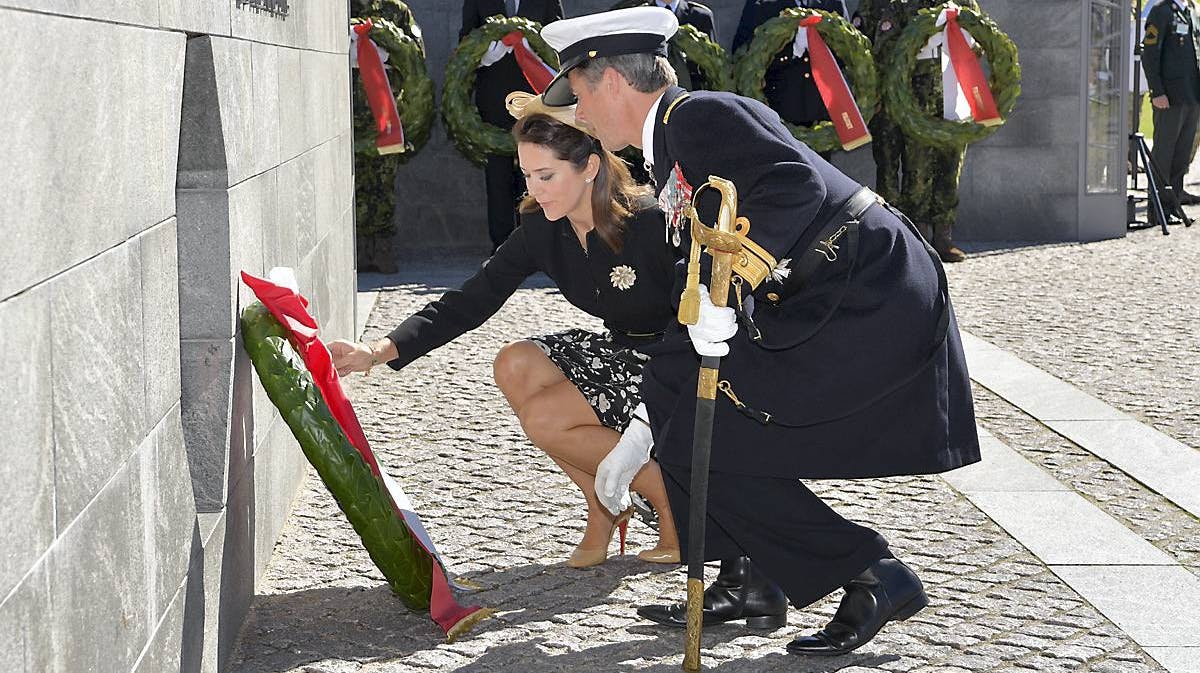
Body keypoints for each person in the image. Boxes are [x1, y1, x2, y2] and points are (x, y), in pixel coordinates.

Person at [539, 6, 980, 656]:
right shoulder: (675, 141)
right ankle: (753, 577)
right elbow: (693, 303)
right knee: (683, 417)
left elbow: (790, 189)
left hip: (867, 292)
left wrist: (733, 281)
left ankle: (870, 572)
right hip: (832, 286)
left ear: (607, 79)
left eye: (577, 96)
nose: (580, 116)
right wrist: (641, 425)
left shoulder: (699, 116)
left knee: (695, 430)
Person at [330, 94, 682, 568]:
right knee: (513, 362)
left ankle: (670, 507)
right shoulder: (542, 227)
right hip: (619, 352)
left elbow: (704, 310)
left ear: (590, 168)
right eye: (528, 176)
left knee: (544, 420)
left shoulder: (651, 222)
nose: (536, 190)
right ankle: (603, 507)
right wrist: (376, 350)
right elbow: (472, 299)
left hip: (674, 362)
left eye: (547, 176)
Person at [854, 0, 979, 262]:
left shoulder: (962, 3)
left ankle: (944, 235)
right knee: (917, 168)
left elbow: (978, 39)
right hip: (914, 94)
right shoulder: (901, 5)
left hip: (953, 92)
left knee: (950, 165)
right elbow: (877, 45)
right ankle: (918, 235)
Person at [461, 0, 564, 252]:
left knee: (537, 172)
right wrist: (487, 54)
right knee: (497, 175)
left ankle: (537, 243)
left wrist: (535, 49)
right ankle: (503, 245)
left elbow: (561, 37)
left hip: (536, 97)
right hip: (493, 98)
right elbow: (466, 38)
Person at [732, 0, 849, 160]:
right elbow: (743, 53)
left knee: (822, 176)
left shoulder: (832, 3)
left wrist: (821, 47)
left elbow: (848, 52)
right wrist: (791, 52)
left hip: (819, 110)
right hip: (780, 108)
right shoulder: (762, 4)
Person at [1142, 0, 1200, 213]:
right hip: (1170, 96)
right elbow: (1150, 54)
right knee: (1164, 153)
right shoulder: (1161, 11)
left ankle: (1174, 204)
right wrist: (1157, 91)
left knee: (1182, 154)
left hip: (1192, 95)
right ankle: (1158, 209)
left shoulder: (1191, 11)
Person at [641, 0, 718, 91]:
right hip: (651, 90)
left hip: (692, 92)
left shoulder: (700, 16)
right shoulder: (641, 16)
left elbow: (713, 65)